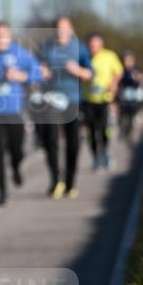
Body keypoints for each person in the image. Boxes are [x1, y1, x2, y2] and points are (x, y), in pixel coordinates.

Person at [0, 22, 42, 205]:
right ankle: (2, 191)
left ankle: (16, 166)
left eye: (3, 35)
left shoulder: (20, 53)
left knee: (17, 149)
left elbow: (37, 73)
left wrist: (21, 77)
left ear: (9, 37)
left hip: (14, 110)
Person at [34, 16, 93, 198]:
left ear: (71, 29)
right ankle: (55, 180)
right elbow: (35, 69)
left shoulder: (80, 48)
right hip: (51, 100)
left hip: (73, 101)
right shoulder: (46, 47)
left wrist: (77, 70)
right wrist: (41, 72)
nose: (61, 32)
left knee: (73, 143)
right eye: (58, 28)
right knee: (50, 140)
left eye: (65, 28)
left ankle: (70, 182)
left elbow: (89, 73)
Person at [81, 32, 124, 169]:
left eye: (95, 45)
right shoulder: (84, 57)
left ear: (101, 45)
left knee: (104, 129)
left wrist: (113, 83)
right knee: (91, 131)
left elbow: (118, 71)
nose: (93, 48)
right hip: (88, 99)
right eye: (91, 45)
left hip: (105, 99)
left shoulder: (109, 56)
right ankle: (95, 157)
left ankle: (105, 151)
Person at [117, 51, 143, 145]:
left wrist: (140, 79)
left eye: (129, 60)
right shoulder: (120, 70)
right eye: (126, 60)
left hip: (134, 99)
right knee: (122, 117)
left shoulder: (137, 70)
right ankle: (123, 131)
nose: (127, 62)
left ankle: (128, 134)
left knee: (130, 118)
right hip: (123, 98)